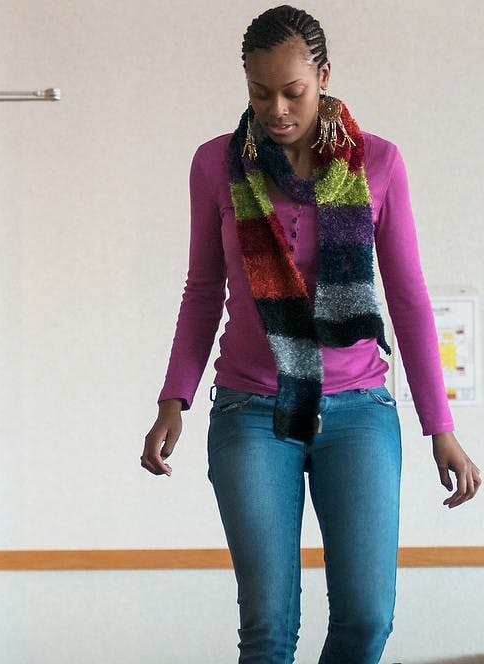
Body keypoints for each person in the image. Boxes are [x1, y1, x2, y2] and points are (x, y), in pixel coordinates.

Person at [140, 6, 481, 663]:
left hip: (359, 411)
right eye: (259, 93)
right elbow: (204, 290)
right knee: (268, 630)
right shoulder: (216, 165)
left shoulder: (378, 163)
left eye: (292, 91)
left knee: (366, 620)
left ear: (322, 76)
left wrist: (441, 427)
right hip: (250, 410)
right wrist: (171, 401)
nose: (277, 110)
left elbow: (407, 301)